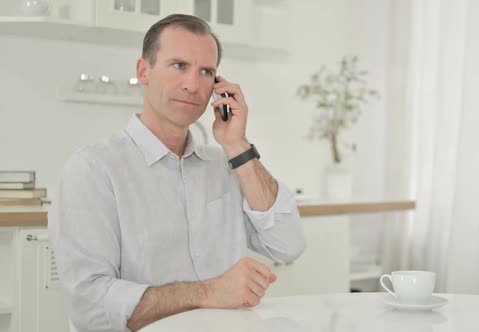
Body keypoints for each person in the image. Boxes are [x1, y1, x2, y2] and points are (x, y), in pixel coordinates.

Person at [49, 14, 305, 332]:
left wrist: (238, 145)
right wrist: (210, 292)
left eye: (206, 72)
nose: (192, 84)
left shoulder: (227, 166)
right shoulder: (93, 170)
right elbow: (89, 304)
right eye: (178, 66)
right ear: (144, 71)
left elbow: (288, 244)